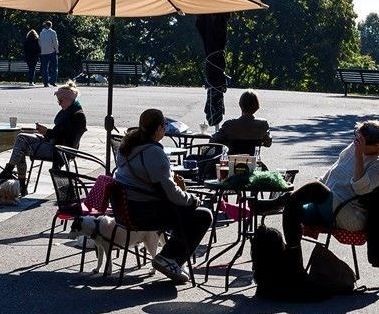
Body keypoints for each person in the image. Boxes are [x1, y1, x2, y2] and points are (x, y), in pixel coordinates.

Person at [114, 108, 214, 284]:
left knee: (186, 212)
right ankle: (169, 258)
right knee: (203, 215)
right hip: (143, 212)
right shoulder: (153, 152)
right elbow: (172, 193)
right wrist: (191, 199)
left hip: (125, 208)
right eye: (165, 125)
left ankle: (171, 257)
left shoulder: (126, 147)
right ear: (160, 128)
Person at [280, 119, 379, 249]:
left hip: (350, 214)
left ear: (377, 145)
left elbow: (362, 190)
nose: (356, 143)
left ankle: (281, 201)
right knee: (292, 209)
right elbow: (335, 169)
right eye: (357, 138)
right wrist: (316, 189)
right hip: (328, 204)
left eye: (361, 142)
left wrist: (359, 157)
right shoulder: (356, 146)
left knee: (313, 189)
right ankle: (294, 260)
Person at [0, 81, 86, 192]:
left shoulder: (77, 115)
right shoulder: (68, 111)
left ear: (69, 99)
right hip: (52, 141)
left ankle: (18, 181)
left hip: (60, 149)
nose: (59, 103)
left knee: (21, 147)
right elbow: (59, 132)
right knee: (21, 137)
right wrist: (44, 132)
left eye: (60, 100)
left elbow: (67, 138)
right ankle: (11, 174)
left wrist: (47, 132)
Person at [211, 90, 273, 155]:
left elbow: (213, 140)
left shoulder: (230, 124)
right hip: (252, 161)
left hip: (232, 161)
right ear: (257, 106)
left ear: (240, 104)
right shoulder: (262, 124)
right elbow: (268, 143)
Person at [38, 20, 60, 88]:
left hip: (44, 52)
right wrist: (57, 50)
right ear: (50, 25)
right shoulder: (52, 32)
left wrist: (42, 49)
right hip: (52, 52)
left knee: (44, 68)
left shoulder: (41, 33)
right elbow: (55, 42)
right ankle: (52, 81)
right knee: (54, 67)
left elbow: (39, 42)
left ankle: (45, 82)